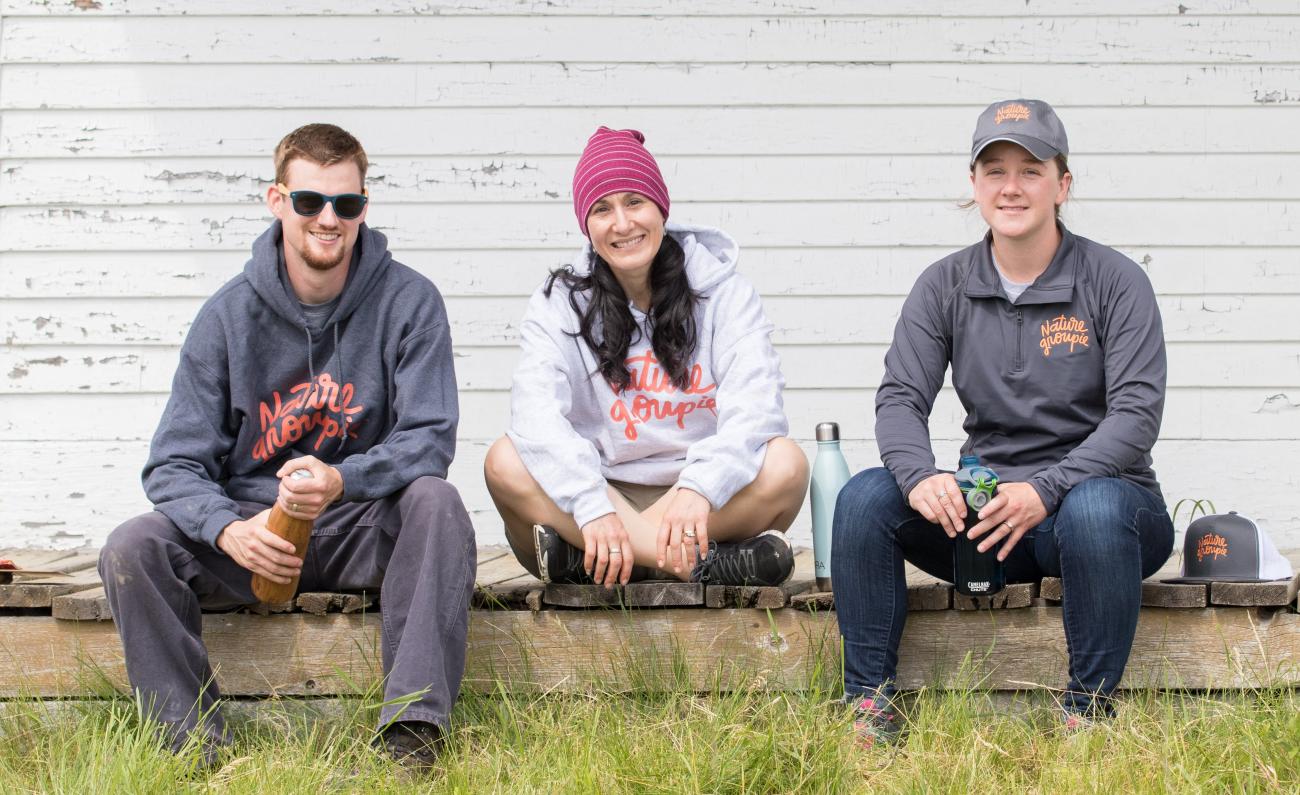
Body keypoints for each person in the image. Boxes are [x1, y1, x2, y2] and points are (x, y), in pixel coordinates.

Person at [97, 123, 476, 771]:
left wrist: (341, 479)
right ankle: (192, 748)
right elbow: (173, 463)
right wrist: (228, 528)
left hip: (359, 521)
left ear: (363, 206)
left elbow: (429, 439)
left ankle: (412, 734)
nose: (328, 219)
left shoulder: (409, 301)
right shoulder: (226, 318)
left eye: (346, 203)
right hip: (253, 533)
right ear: (277, 200)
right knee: (132, 545)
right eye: (309, 202)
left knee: (437, 502)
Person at [832, 99, 1173, 744]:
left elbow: (1135, 417)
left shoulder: (1115, 280)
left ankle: (1089, 714)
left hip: (1101, 514)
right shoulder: (943, 285)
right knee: (865, 497)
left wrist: (1045, 491)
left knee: (1095, 508)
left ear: (1062, 184)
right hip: (990, 518)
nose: (1011, 187)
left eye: (1031, 169)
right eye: (995, 170)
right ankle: (869, 708)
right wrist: (918, 477)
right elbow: (901, 397)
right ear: (974, 184)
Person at [485, 127, 808, 589]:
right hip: (599, 496)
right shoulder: (559, 302)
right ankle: (688, 565)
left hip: (699, 503)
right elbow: (535, 416)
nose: (622, 224)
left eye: (634, 201)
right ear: (586, 224)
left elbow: (757, 410)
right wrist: (591, 504)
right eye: (602, 209)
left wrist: (700, 486)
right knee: (504, 460)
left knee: (786, 464)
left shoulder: (725, 293)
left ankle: (607, 565)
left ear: (661, 208)